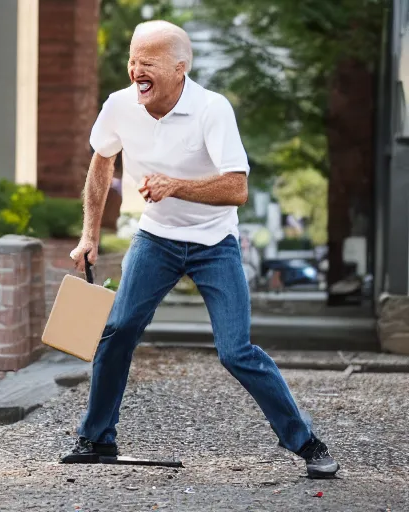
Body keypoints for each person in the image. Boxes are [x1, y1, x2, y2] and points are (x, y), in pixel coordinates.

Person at [62, 20, 339, 479]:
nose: (135, 70)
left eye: (146, 62)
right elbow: (101, 162)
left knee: (236, 351)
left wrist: (176, 186)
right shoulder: (119, 106)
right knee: (118, 330)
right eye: (132, 60)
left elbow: (237, 188)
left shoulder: (212, 109)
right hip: (156, 239)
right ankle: (97, 438)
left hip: (215, 244)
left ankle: (305, 442)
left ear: (179, 68)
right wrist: (89, 235)